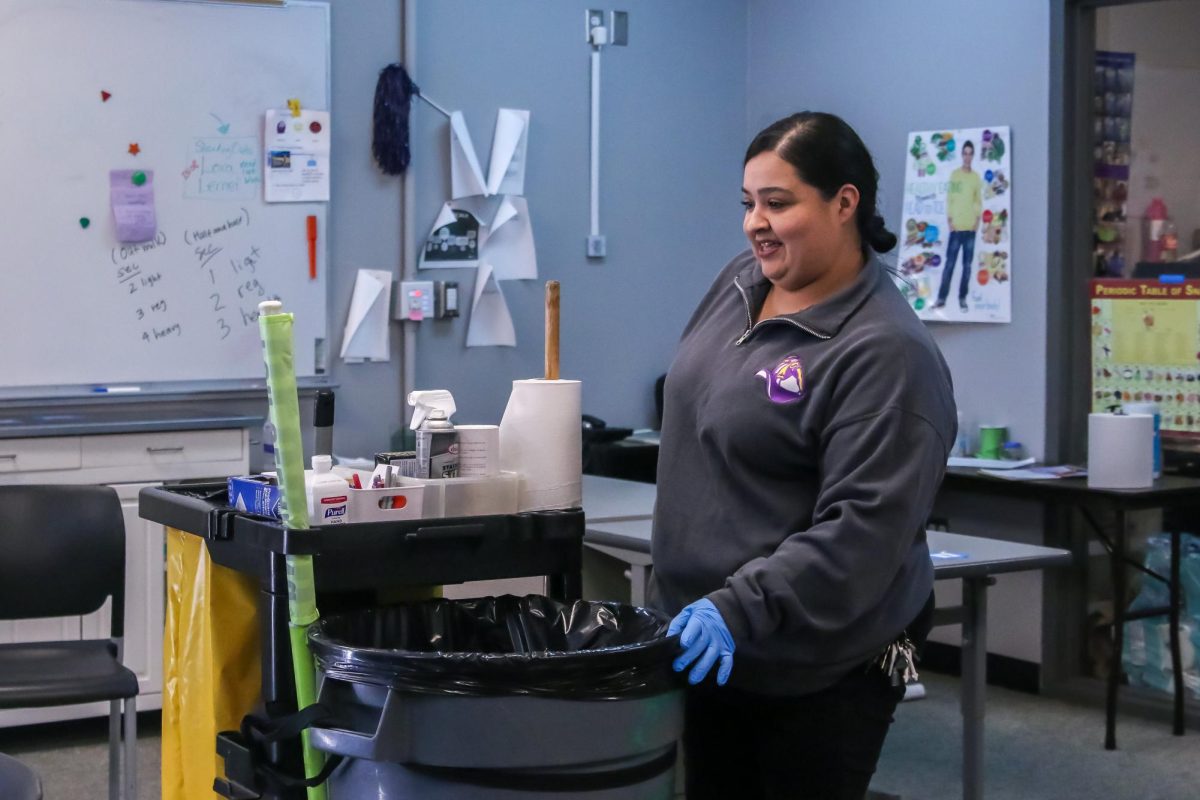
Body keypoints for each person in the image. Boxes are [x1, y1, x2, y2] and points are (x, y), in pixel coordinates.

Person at [650, 111, 957, 799]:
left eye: (778, 203)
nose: (755, 222)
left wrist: (738, 606)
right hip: (712, 641)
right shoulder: (742, 283)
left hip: (815, 663)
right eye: (748, 203)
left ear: (845, 202)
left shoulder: (887, 354)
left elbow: (863, 535)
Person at [933, 140, 982, 312]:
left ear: (973, 156)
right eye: (965, 153)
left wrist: (977, 222)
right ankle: (941, 298)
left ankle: (962, 298)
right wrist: (950, 221)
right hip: (956, 228)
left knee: (967, 266)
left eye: (970, 153)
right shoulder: (955, 175)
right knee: (949, 264)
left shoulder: (976, 177)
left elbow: (977, 200)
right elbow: (950, 198)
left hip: (970, 229)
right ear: (962, 155)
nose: (967, 156)